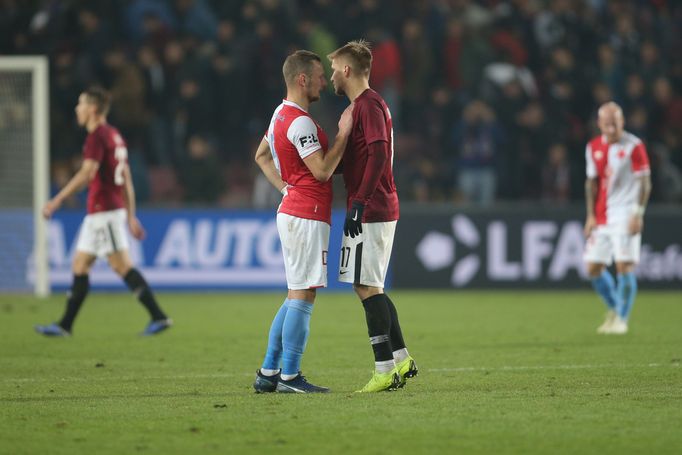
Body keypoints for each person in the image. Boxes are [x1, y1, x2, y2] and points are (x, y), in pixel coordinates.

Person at [252, 50, 353, 393]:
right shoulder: (301, 123)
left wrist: (285, 188)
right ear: (302, 79)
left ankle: (269, 371)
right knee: (303, 295)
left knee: (296, 292)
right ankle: (290, 376)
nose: (325, 81)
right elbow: (322, 171)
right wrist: (343, 133)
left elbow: (261, 156)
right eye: (320, 75)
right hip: (306, 214)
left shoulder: (280, 115)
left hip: (296, 209)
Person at [35, 87, 172, 337]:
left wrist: (56, 200)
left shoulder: (97, 137)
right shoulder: (114, 135)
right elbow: (126, 178)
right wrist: (130, 215)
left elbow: (87, 173)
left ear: (93, 109)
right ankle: (65, 325)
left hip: (103, 211)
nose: (77, 109)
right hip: (105, 212)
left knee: (121, 266)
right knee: (80, 264)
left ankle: (159, 316)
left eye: (81, 104)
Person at [328, 40, 417, 392]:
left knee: (366, 286)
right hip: (373, 204)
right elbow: (364, 158)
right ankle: (401, 358)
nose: (332, 74)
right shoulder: (365, 106)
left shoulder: (368, 105)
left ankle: (384, 369)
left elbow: (379, 155)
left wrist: (360, 202)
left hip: (373, 207)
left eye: (334, 68)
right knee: (370, 285)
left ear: (347, 70)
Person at [583, 102, 651, 335]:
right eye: (606, 124)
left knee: (624, 265)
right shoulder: (592, 147)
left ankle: (622, 319)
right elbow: (591, 183)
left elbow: (645, 183)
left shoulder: (634, 146)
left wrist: (638, 214)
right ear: (599, 124)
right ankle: (615, 308)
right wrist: (590, 215)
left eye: (615, 123)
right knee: (593, 268)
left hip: (626, 214)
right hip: (602, 216)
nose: (611, 128)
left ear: (623, 122)